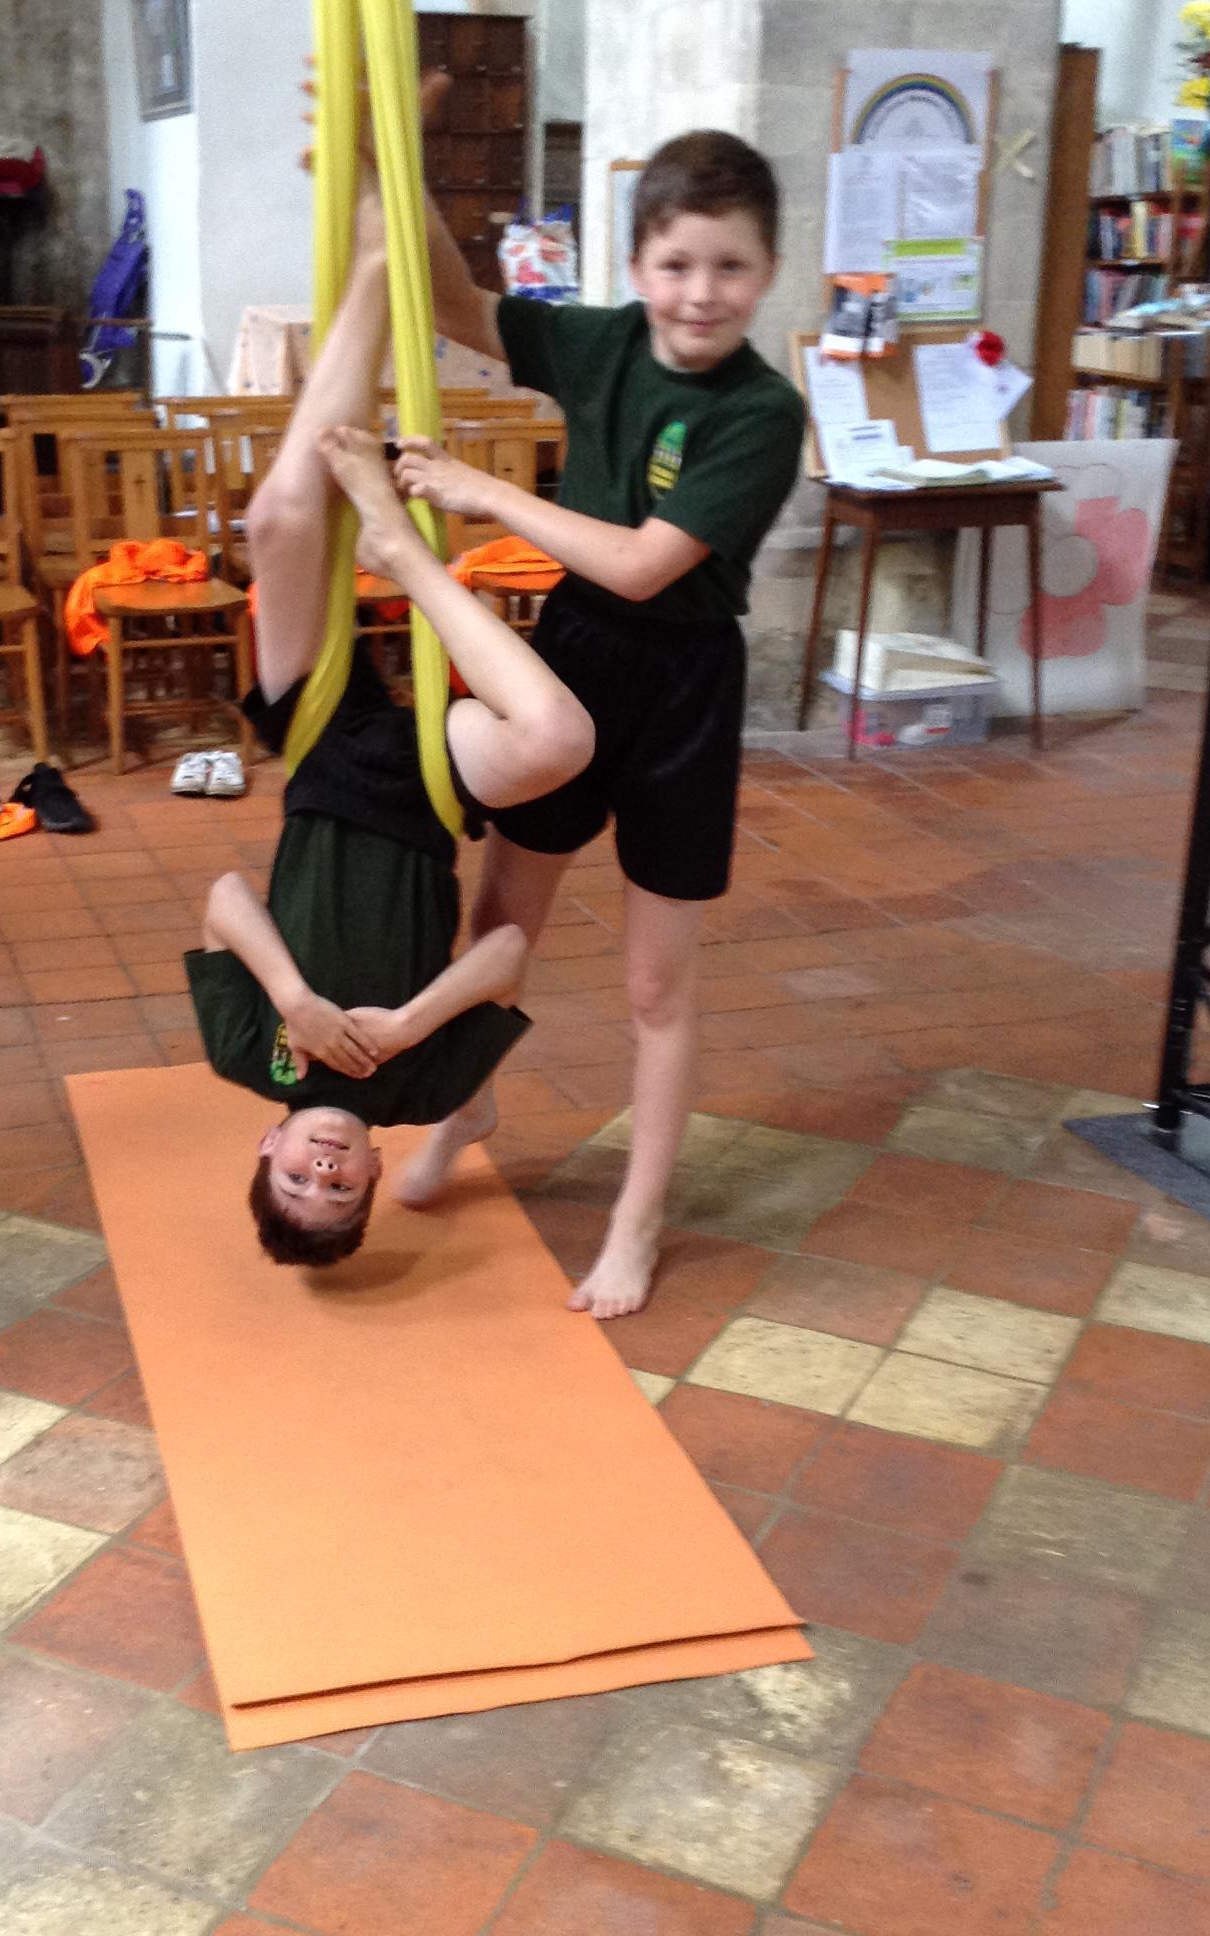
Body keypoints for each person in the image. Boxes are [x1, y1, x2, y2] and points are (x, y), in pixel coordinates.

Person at [390, 126, 807, 1320]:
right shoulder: (604, 341)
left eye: (729, 266)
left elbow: (640, 564)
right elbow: (456, 303)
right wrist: (400, 159)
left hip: (684, 691)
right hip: (572, 660)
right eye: (676, 264)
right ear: (636, 266)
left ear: (767, 271)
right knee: (497, 926)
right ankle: (467, 1099)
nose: (700, 293)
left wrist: (479, 491)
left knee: (653, 986)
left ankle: (636, 1223)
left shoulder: (762, 411)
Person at [187, 179, 594, 1268]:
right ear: (371, 1175)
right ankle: (405, 558)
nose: (322, 1167)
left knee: (278, 519)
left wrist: (293, 998)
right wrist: (410, 1026)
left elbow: (223, 900)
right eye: (338, 1189)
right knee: (559, 742)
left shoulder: (249, 1057)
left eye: (296, 1178)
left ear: (268, 1146)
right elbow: (505, 952)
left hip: (322, 762)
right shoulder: (418, 1087)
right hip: (423, 797)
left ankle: (375, 256)